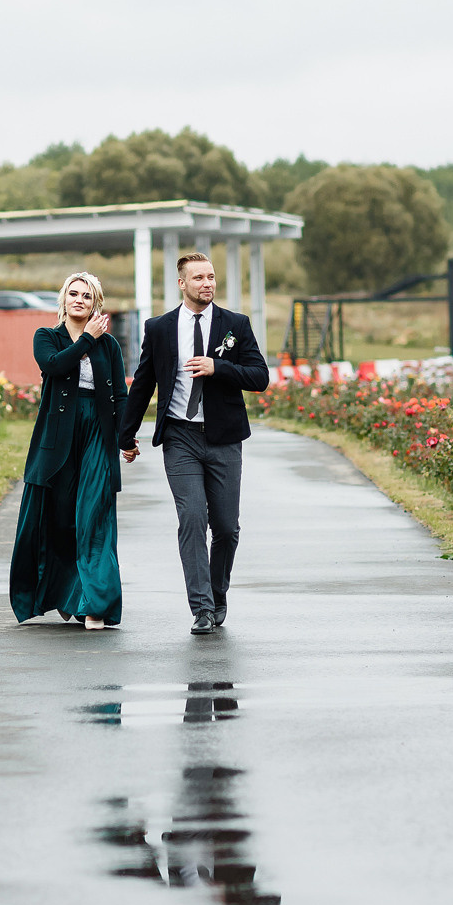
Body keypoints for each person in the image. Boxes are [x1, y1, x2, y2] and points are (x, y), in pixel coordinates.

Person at [120, 251, 270, 634]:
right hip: (179, 435)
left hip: (223, 439)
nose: (207, 283)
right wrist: (126, 433)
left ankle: (218, 594)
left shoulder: (236, 324)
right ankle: (201, 608)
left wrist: (218, 367)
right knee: (191, 518)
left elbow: (259, 376)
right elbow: (144, 383)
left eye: (211, 276)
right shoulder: (159, 328)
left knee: (226, 527)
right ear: (182, 284)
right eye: (199, 277)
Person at [9, 272, 128, 628]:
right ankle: (66, 592)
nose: (79, 300)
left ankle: (95, 605)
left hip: (97, 432)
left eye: (87, 296)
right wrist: (87, 339)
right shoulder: (47, 336)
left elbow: (119, 394)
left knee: (95, 517)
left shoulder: (109, 345)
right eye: (73, 294)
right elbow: (54, 366)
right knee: (60, 521)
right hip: (59, 435)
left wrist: (126, 437)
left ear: (96, 304)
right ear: (64, 300)